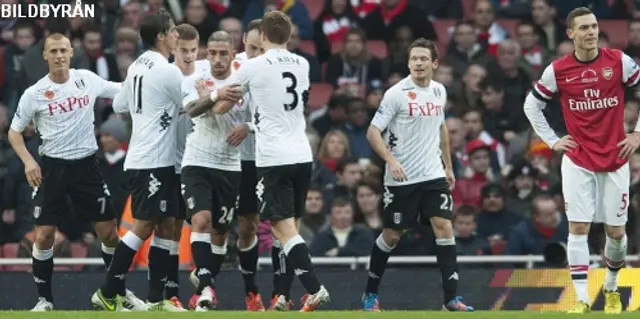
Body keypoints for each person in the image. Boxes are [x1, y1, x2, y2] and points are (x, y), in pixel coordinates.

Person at [7, 33, 145, 311]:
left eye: (63, 50)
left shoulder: (87, 79)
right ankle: (44, 300)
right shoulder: (34, 93)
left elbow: (120, 90)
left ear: (71, 53)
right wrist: (28, 161)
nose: (59, 55)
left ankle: (117, 294)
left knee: (109, 234)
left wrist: (144, 81)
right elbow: (14, 132)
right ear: (45, 55)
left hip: (87, 168)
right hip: (52, 170)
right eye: (53, 51)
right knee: (44, 235)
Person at [523, 7, 640, 314]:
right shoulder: (557, 70)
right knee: (578, 228)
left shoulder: (618, 62)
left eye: (594, 26)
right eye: (584, 28)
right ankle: (581, 298)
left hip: (616, 158)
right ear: (571, 33)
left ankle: (612, 289)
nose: (590, 32)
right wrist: (552, 140)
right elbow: (531, 106)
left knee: (616, 234)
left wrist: (637, 133)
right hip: (577, 159)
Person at [215, 11, 330, 311]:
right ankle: (283, 294)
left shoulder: (253, 66)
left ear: (262, 36)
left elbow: (223, 104)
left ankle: (314, 288)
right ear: (289, 35)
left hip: (273, 157)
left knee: (282, 228)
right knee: (289, 226)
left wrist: (212, 95)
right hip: (302, 154)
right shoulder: (303, 64)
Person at [362, 38, 474, 312]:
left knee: (444, 227)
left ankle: (451, 299)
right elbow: (372, 132)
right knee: (392, 234)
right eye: (414, 59)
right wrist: (390, 160)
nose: (419, 63)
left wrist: (447, 166)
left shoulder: (439, 91)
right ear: (408, 63)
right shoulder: (396, 93)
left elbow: (442, 128)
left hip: (433, 174)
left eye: (424, 59)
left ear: (434, 63)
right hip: (401, 179)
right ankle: (370, 294)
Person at [91, 10, 184, 311]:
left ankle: (157, 299)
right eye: (172, 30)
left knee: (167, 225)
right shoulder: (167, 70)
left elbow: (119, 103)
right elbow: (189, 105)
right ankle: (107, 290)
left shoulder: (136, 66)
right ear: (160, 36)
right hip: (152, 159)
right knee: (144, 225)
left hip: (152, 157)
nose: (176, 35)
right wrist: (212, 98)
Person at [179, 30, 246, 312]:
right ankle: (206, 287)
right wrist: (216, 94)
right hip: (197, 160)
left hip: (230, 164)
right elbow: (192, 110)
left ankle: (205, 282)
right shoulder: (194, 77)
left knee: (220, 232)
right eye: (212, 53)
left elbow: (263, 114)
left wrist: (249, 127)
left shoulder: (246, 77)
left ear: (233, 54)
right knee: (202, 220)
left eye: (223, 54)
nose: (217, 60)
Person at [224, 19, 269, 311]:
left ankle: (251, 292)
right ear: (242, 40)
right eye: (251, 46)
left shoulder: (273, 71)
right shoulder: (229, 66)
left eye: (260, 48)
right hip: (224, 157)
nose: (254, 53)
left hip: (257, 158)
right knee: (213, 225)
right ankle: (204, 289)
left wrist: (250, 126)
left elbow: (279, 116)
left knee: (248, 226)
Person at [160, 22, 204, 311]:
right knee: (172, 228)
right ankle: (170, 291)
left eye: (192, 50)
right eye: (182, 50)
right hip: (171, 163)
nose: (188, 56)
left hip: (201, 163)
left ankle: (203, 286)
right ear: (173, 49)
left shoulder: (205, 74)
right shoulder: (164, 77)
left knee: (206, 224)